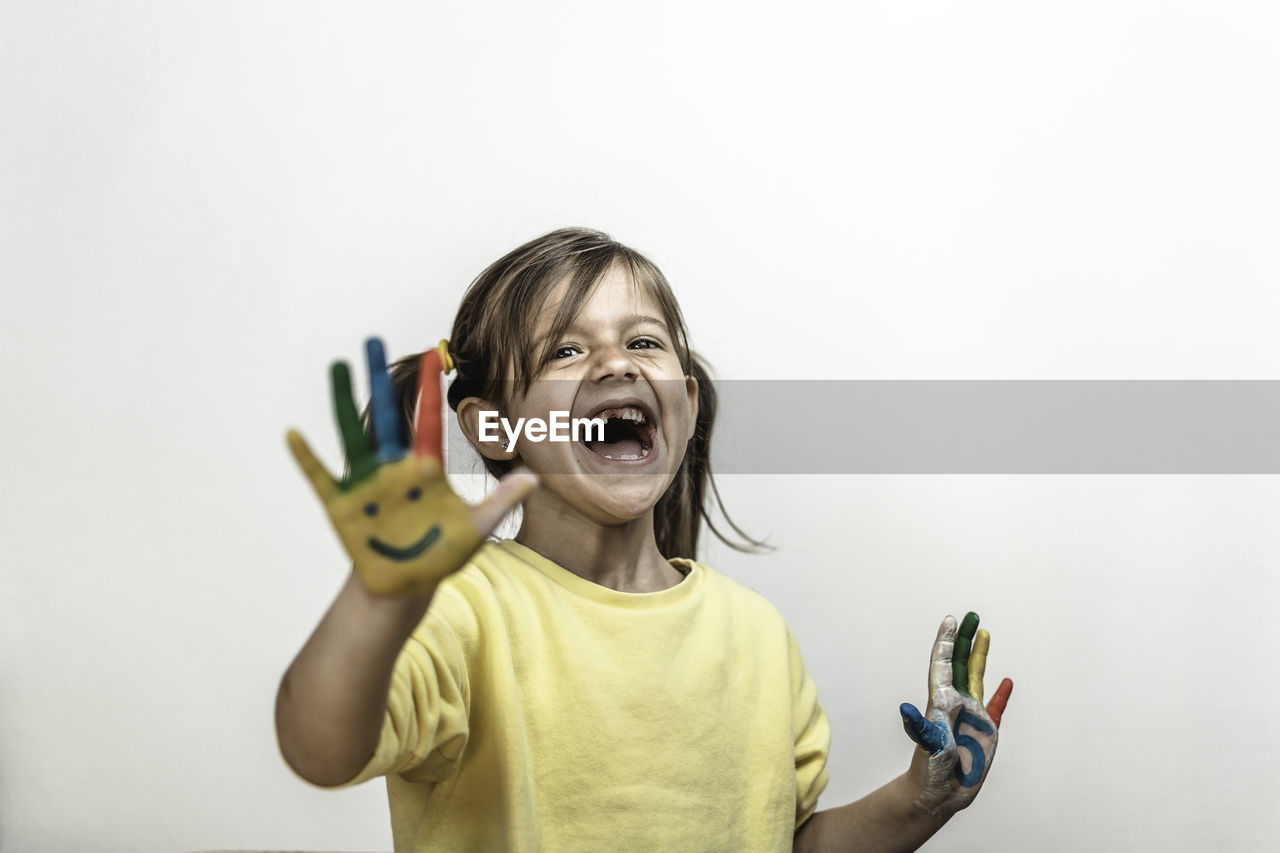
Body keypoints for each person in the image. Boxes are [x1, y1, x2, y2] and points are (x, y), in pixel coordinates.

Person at [274, 227, 1014, 852]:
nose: (617, 362)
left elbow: (786, 839)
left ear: (685, 404)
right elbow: (320, 746)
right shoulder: (462, 609)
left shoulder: (755, 633)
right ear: (494, 425)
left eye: (643, 340)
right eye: (565, 351)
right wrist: (378, 599)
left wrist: (924, 795)